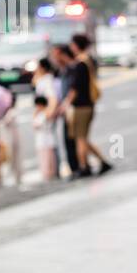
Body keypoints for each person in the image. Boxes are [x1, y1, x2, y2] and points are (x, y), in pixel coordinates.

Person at [59, 35, 112, 178]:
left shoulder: (80, 64)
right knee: (83, 138)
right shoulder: (88, 60)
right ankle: (102, 162)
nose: (71, 47)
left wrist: (65, 104)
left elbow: (74, 89)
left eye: (72, 44)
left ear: (76, 45)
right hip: (88, 104)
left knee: (80, 138)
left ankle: (84, 167)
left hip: (81, 106)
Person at [49, 46, 78, 177]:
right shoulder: (61, 70)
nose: (54, 58)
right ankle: (75, 167)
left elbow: (73, 89)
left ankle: (77, 167)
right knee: (69, 139)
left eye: (56, 55)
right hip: (66, 109)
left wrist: (65, 105)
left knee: (73, 139)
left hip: (72, 109)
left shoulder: (72, 68)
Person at [32, 93, 58, 181]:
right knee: (48, 159)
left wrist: (35, 115)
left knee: (46, 160)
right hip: (46, 139)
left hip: (44, 140)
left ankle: (48, 175)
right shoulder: (45, 113)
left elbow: (36, 125)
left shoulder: (44, 114)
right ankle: (49, 174)